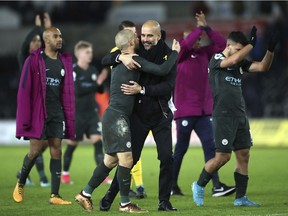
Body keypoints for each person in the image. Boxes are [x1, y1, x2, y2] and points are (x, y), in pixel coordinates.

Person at [74, 29, 180, 213]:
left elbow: (109, 58)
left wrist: (120, 57)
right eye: (138, 37)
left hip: (113, 115)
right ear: (132, 41)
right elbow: (162, 69)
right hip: (118, 117)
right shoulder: (133, 59)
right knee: (127, 159)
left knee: (110, 161)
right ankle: (125, 204)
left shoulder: (122, 59)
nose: (140, 38)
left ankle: (85, 194)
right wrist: (176, 53)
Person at [192, 26, 278, 206]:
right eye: (239, 49)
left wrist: (270, 50)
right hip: (223, 115)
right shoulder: (217, 58)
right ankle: (199, 185)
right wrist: (252, 45)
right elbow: (233, 60)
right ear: (229, 46)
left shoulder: (238, 62)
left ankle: (240, 198)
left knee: (244, 154)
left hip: (240, 114)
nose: (242, 53)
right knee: (223, 157)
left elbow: (262, 66)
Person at [172, 11, 235, 197]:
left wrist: (206, 28)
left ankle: (216, 185)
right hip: (184, 111)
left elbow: (222, 45)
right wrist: (198, 29)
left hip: (203, 112)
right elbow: (185, 45)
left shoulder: (205, 55)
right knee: (181, 150)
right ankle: (171, 185)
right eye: (194, 38)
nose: (196, 42)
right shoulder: (179, 55)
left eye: (199, 39)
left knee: (211, 147)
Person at [13, 27, 75, 205]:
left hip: (57, 112)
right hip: (38, 112)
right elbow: (24, 90)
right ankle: (21, 181)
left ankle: (54, 195)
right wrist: (25, 117)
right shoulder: (34, 60)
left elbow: (66, 92)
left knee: (57, 149)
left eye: (61, 36)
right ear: (46, 40)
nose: (59, 39)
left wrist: (68, 114)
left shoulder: (64, 62)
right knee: (35, 151)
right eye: (55, 36)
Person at [61, 40, 112, 185]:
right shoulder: (73, 71)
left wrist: (101, 83)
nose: (90, 55)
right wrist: (96, 84)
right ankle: (65, 174)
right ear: (79, 54)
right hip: (77, 114)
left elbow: (100, 91)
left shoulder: (93, 71)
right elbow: (78, 90)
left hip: (91, 113)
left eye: (91, 52)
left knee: (97, 142)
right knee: (72, 144)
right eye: (87, 52)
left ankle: (101, 176)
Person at [112, 20, 147, 199]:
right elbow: (107, 59)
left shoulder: (139, 51)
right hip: (121, 110)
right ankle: (124, 191)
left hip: (135, 108)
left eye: (136, 33)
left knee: (133, 151)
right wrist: (120, 57)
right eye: (131, 33)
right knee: (117, 156)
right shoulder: (116, 53)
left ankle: (137, 185)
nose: (136, 36)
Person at [16, 13, 52, 188]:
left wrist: (47, 29)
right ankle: (42, 177)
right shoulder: (25, 59)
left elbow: (51, 47)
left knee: (44, 144)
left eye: (40, 41)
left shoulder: (44, 59)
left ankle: (23, 173)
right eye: (34, 41)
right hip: (31, 108)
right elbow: (24, 46)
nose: (37, 43)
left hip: (45, 107)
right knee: (36, 146)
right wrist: (37, 28)